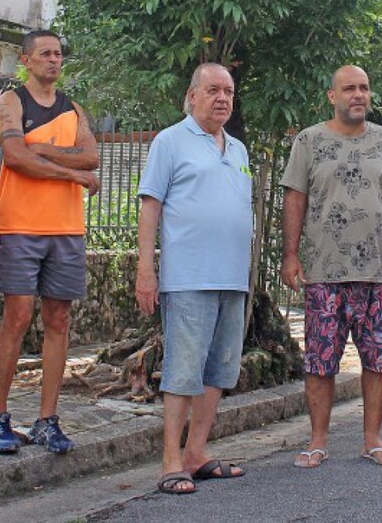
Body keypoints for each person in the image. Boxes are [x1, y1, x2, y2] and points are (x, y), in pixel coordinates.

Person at [280, 65, 382, 469]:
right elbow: (294, 200)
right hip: (323, 271)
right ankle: (318, 440)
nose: (358, 95)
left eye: (363, 88)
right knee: (320, 359)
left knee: (379, 358)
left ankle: (372, 438)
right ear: (332, 96)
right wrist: (290, 255)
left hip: (378, 272)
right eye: (349, 89)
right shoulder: (309, 141)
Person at [135, 63, 254, 496]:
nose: (222, 98)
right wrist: (145, 270)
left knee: (219, 371)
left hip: (232, 277)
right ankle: (170, 461)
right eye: (212, 90)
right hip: (188, 277)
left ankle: (197, 454)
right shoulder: (170, 141)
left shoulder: (238, 150)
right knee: (182, 372)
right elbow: (151, 207)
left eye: (228, 91)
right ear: (192, 95)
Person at [0, 30, 101, 456]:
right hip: (21, 224)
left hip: (67, 228)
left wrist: (43, 151)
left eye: (58, 54)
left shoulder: (73, 107)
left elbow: (92, 157)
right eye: (45, 54)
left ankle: (47, 420)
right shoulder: (12, 101)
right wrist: (70, 170)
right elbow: (15, 157)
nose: (54, 60)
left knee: (59, 321)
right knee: (16, 317)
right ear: (26, 59)